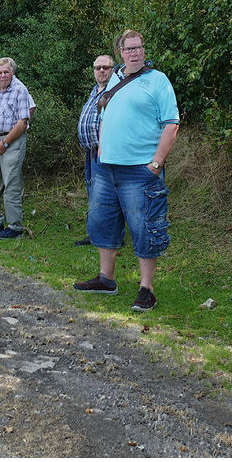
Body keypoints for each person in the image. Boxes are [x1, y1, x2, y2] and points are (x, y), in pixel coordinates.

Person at [73, 29, 180, 312]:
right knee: (103, 222)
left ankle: (147, 289)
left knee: (145, 227)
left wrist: (156, 163)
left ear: (144, 50)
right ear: (121, 52)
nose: (134, 53)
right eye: (128, 49)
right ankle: (106, 279)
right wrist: (101, 148)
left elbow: (171, 125)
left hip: (139, 170)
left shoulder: (158, 81)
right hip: (106, 168)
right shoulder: (115, 78)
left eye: (138, 48)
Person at [0, 57, 33, 239]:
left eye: (6, 72)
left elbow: (22, 122)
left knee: (11, 184)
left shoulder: (20, 90)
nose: (3, 76)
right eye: (0, 72)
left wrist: (4, 144)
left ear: (12, 73)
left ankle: (15, 226)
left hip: (12, 141)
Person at [73, 54, 116, 245]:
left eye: (105, 67)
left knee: (106, 197)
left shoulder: (114, 91)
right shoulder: (95, 90)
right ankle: (95, 235)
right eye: (97, 68)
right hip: (91, 151)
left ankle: (110, 237)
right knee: (94, 194)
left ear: (113, 69)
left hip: (105, 151)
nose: (101, 71)